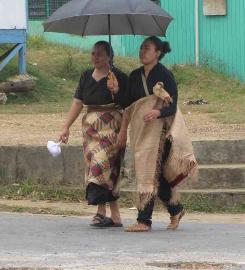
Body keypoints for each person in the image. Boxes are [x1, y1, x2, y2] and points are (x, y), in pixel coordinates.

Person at [116, 36, 197, 232]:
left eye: (147, 48)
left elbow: (172, 105)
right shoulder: (134, 76)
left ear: (157, 53)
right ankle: (176, 209)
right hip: (141, 133)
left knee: (150, 174)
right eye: (141, 48)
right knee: (155, 179)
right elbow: (127, 104)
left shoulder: (165, 75)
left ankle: (144, 220)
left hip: (161, 133)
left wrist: (158, 112)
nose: (142, 51)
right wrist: (115, 91)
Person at [59, 41, 128, 228]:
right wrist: (66, 127)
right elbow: (77, 103)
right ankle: (112, 215)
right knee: (98, 168)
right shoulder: (85, 76)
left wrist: (117, 92)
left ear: (109, 57)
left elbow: (129, 106)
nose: (95, 57)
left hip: (112, 128)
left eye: (99, 54)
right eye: (92, 53)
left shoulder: (119, 76)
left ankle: (101, 212)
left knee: (103, 166)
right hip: (90, 130)